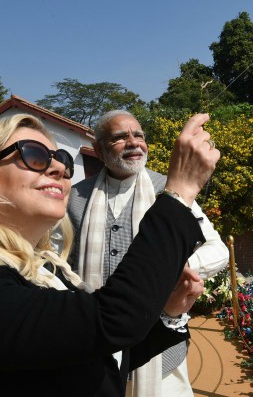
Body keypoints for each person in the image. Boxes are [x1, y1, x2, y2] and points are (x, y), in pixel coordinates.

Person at [0, 112, 218, 396]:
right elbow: (109, 322)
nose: (58, 168)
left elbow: (94, 354)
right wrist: (178, 195)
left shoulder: (45, 271)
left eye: (61, 158)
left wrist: (167, 313)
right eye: (33, 155)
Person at [68, 109, 228, 397]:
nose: (133, 142)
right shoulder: (74, 197)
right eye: (120, 137)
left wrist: (173, 265)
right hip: (93, 341)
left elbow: (218, 251)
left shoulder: (170, 192)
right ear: (99, 150)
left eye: (138, 135)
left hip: (159, 349)